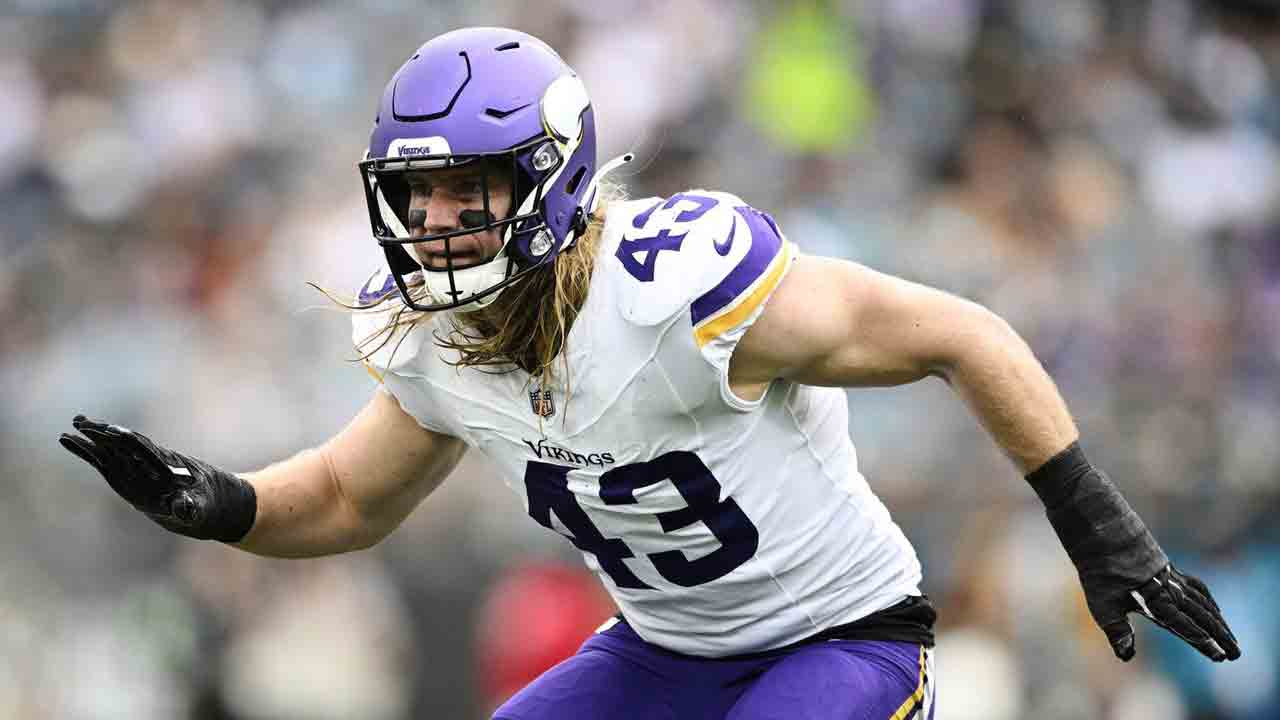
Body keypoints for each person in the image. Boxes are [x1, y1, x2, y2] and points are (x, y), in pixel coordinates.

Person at [59, 26, 1240, 720]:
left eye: (469, 190)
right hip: (665, 652)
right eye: (418, 195)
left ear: (551, 179)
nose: (437, 222)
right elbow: (344, 496)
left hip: (840, 637)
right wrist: (217, 503)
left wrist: (1102, 534)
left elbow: (962, 335)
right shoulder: (435, 339)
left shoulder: (677, 290)